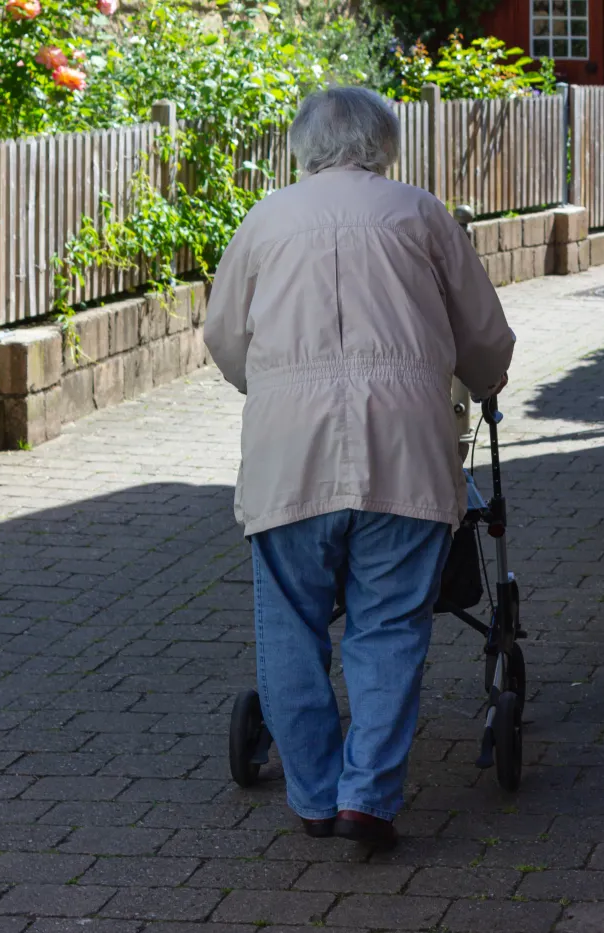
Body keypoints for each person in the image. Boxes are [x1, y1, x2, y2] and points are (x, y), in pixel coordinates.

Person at [203, 86, 517, 849]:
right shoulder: (420, 213)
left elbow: (224, 338)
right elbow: (482, 335)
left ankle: (313, 794)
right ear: (386, 144)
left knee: (290, 626)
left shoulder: (265, 219)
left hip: (289, 458)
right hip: (403, 452)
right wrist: (486, 383)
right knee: (388, 627)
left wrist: (268, 385)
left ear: (301, 148)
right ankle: (366, 797)